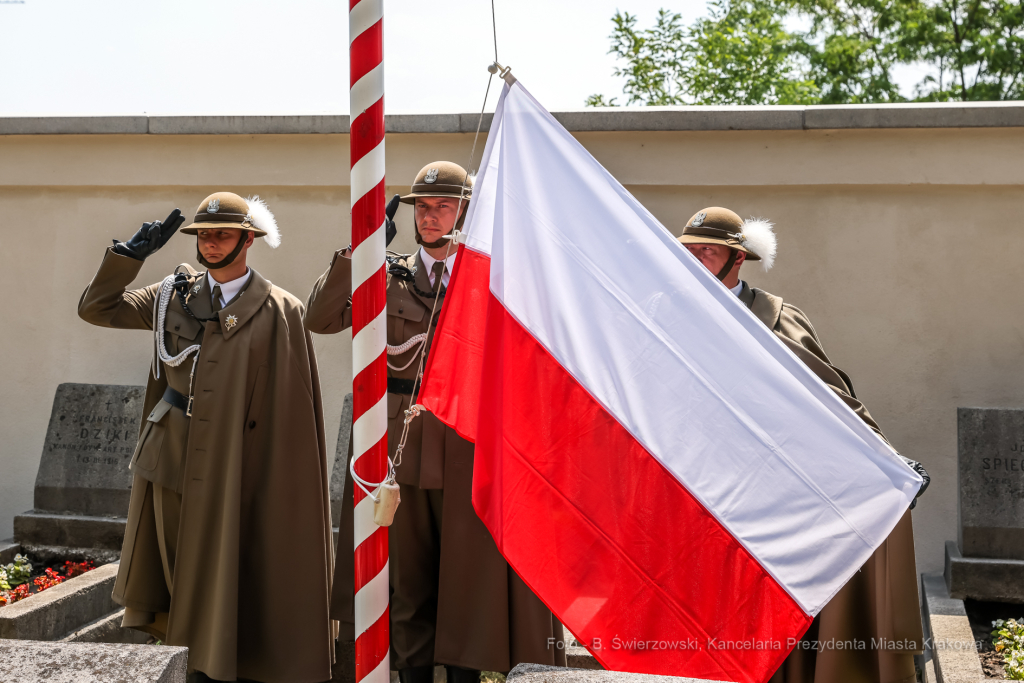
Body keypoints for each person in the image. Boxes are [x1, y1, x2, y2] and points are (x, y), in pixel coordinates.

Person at [305, 162, 565, 683]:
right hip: (398, 446)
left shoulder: (494, 280)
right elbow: (321, 318)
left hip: (468, 445)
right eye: (422, 207)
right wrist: (362, 248)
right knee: (404, 577)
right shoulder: (384, 274)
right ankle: (412, 676)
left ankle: (467, 675)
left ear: (466, 212)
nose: (429, 216)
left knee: (467, 578)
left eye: (443, 206)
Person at [78, 192, 335, 683]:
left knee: (231, 574)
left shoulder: (282, 311)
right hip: (172, 458)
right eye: (202, 235)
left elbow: (293, 407)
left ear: (248, 239)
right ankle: (190, 666)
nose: (210, 243)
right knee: (177, 576)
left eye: (221, 234)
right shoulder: (171, 295)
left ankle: (228, 665)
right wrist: (127, 260)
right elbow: (97, 308)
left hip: (241, 463)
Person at [678, 206, 929, 683]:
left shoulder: (776, 317)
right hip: (700, 480)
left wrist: (888, 460)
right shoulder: (667, 311)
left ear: (739, 258)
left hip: (775, 482)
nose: (697, 257)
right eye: (690, 249)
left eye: (709, 250)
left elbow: (832, 396)